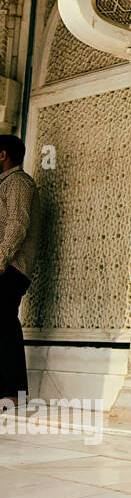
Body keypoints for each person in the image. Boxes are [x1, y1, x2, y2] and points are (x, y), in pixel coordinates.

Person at [0, 134, 40, 407]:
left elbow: (18, 223)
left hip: (11, 267)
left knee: (4, 325)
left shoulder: (17, 182)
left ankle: (15, 393)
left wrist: (0, 259)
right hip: (5, 265)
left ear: (2, 155)